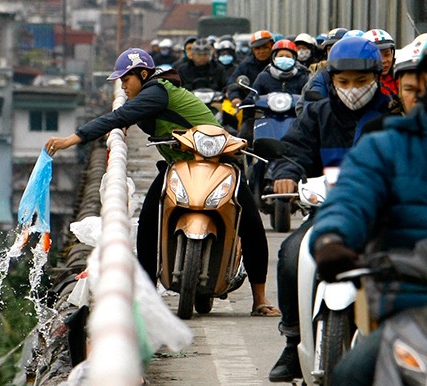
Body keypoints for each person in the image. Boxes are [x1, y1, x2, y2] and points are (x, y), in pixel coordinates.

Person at [45, 48, 280, 317]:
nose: (123, 86)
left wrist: (70, 140)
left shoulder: (157, 92)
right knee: (148, 223)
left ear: (143, 75)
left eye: (126, 80)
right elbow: (126, 117)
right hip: (179, 165)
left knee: (249, 222)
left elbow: (119, 117)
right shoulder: (148, 96)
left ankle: (259, 298)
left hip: (219, 162)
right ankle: (147, 294)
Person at [267, 37, 394, 383]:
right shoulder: (316, 114)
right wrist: (286, 177)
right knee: (292, 255)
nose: (352, 89)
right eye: (344, 81)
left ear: (377, 78)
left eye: (361, 81)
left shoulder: (394, 115)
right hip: (328, 212)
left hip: (383, 218)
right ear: (332, 79)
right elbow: (292, 152)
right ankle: (293, 343)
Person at [309, 48, 427, 386]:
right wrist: (332, 237)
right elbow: (350, 199)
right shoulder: (385, 146)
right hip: (410, 305)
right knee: (350, 373)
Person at [239, 39, 309, 143]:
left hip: (296, 119)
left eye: (288, 56)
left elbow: (308, 96)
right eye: (280, 56)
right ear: (273, 58)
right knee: (245, 133)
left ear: (294, 59)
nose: (284, 59)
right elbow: (253, 94)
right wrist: (248, 102)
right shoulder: (263, 76)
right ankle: (247, 157)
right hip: (266, 117)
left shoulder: (303, 76)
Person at [227, 30, 274, 107]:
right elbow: (232, 84)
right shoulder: (245, 65)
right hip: (252, 107)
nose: (261, 51)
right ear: (252, 50)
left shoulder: (280, 64)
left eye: (265, 47)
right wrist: (235, 98)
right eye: (257, 48)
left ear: (273, 47)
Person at [363, 28, 398, 95]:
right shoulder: (361, 85)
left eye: (387, 54)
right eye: (377, 55)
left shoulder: (400, 79)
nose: (383, 61)